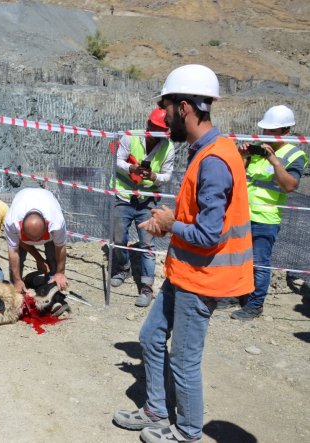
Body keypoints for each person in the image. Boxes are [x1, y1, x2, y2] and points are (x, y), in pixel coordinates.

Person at [113, 64, 254, 443]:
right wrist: (170, 222)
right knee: (150, 336)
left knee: (184, 359)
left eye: (168, 108)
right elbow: (201, 217)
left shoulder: (214, 161)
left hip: (203, 278)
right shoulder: (206, 151)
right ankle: (156, 410)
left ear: (186, 107)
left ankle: (188, 432)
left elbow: (209, 234)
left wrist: (171, 223)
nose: (165, 117)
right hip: (185, 271)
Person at [226, 105, 307, 320]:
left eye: (273, 131)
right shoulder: (256, 149)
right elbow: (236, 176)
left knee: (259, 263)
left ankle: (255, 305)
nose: (267, 134)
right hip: (242, 213)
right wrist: (242, 155)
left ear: (286, 132)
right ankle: (236, 294)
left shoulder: (294, 155)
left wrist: (273, 160)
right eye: (265, 130)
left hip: (266, 218)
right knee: (238, 258)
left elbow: (289, 186)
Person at [111, 108, 175, 307]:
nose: (156, 134)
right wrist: (131, 168)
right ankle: (123, 268)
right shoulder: (130, 137)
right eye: (154, 128)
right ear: (148, 125)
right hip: (124, 195)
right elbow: (117, 160)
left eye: (160, 131)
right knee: (118, 239)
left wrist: (154, 176)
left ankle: (146, 286)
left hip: (147, 200)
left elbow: (168, 175)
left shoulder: (168, 147)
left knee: (147, 243)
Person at [4, 187, 69, 294]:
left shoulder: (56, 223)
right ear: (21, 228)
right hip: (22, 201)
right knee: (18, 261)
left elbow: (60, 247)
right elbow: (13, 252)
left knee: (53, 258)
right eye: (30, 239)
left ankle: (52, 288)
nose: (35, 242)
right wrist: (17, 280)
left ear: (47, 227)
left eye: (38, 238)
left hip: (47, 202)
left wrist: (60, 273)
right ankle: (17, 289)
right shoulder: (12, 222)